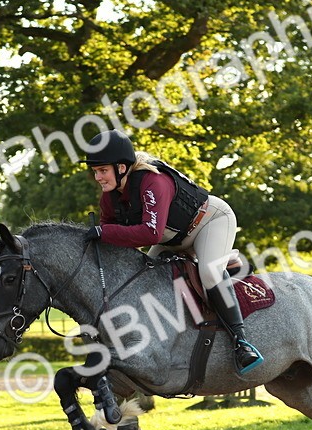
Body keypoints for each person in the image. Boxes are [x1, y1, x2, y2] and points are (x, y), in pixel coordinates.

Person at [82, 129, 263, 374]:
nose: (98, 178)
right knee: (142, 280)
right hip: (174, 237)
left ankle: (241, 342)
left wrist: (104, 233)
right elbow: (111, 237)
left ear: (122, 167)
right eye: (95, 171)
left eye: (103, 170)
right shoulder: (109, 198)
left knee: (209, 273)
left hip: (209, 222)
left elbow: (151, 234)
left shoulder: (151, 181)